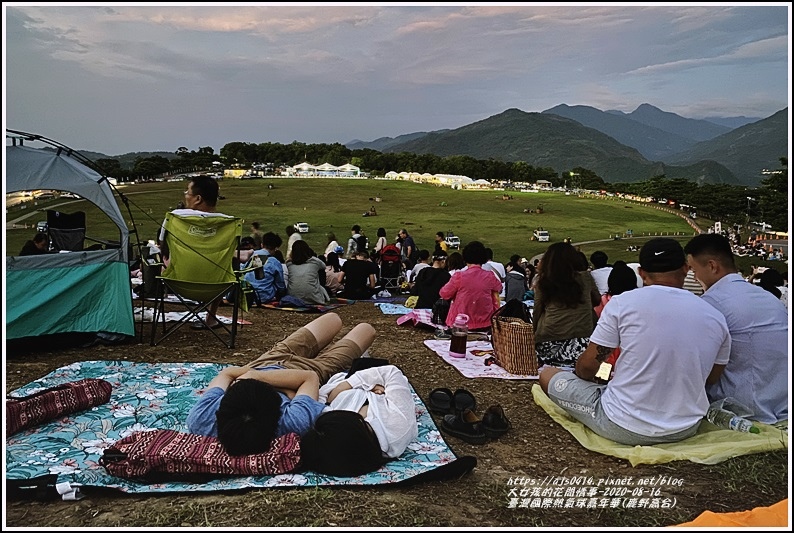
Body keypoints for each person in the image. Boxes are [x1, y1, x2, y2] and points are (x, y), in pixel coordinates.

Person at [539, 238, 731, 446]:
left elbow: (587, 368)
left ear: (641, 273)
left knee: (548, 374)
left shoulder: (622, 304)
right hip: (685, 427)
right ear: (686, 269)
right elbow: (712, 377)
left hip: (621, 423)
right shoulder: (715, 316)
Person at [186, 313, 376, 455]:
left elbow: (226, 373)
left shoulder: (202, 419)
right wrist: (256, 377)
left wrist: (264, 377)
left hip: (266, 361)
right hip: (310, 369)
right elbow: (309, 377)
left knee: (333, 318)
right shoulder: (292, 423)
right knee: (366, 329)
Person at [684, 233, 787, 424]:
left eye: (693, 269)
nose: (694, 276)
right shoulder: (767, 297)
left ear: (712, 266)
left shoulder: (711, 303)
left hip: (744, 406)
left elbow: (698, 365)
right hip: (782, 400)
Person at [301, 364, 418, 476]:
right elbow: (391, 372)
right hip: (357, 372)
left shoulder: (331, 435)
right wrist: (349, 384)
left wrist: (340, 389)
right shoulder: (398, 424)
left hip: (326, 378)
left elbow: (317, 404)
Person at [158, 175, 233, 330]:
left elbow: (162, 245)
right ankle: (210, 318)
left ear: (198, 198)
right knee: (224, 268)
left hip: (178, 283)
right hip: (217, 286)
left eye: (187, 192)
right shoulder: (229, 222)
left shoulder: (174, 218)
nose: (185, 195)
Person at [532, 242, 601, 367]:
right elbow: (596, 300)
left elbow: (537, 310)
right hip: (582, 343)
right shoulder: (585, 278)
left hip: (548, 343)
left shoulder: (544, 281)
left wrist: (533, 334)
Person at [439, 241, 502, 331]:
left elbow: (444, 294)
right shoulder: (490, 276)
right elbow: (499, 289)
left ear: (465, 257)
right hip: (485, 323)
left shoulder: (459, 276)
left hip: (460, 323)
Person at [245, 231, 287, 304]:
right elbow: (280, 286)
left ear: (262, 245)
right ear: (276, 248)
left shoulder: (249, 256)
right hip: (264, 297)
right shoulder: (274, 262)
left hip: (245, 295)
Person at [287, 240, 330, 305]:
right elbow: (324, 266)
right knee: (319, 271)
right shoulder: (315, 262)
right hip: (314, 298)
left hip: (293, 297)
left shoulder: (289, 264)